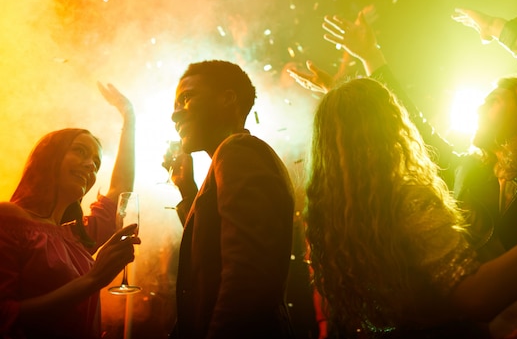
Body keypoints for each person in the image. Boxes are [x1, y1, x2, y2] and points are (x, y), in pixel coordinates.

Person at [289, 8, 517, 338]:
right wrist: (369, 61)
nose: (480, 105)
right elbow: (411, 126)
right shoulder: (468, 171)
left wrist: (499, 28)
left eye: (494, 99)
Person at [0, 83, 140, 339]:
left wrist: (129, 117)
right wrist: (93, 278)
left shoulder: (78, 237)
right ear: (49, 157)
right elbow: (4, 316)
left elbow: (120, 188)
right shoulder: (8, 219)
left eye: (96, 162)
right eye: (80, 151)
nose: (91, 165)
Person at [169, 60, 296, 339]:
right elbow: (217, 248)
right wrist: (187, 190)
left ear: (227, 99)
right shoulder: (234, 157)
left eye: (186, 98)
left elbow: (247, 277)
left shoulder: (237, 151)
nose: (174, 115)